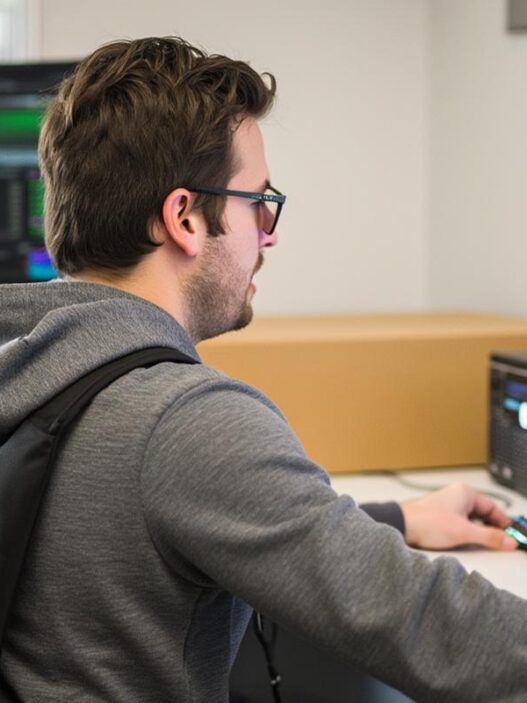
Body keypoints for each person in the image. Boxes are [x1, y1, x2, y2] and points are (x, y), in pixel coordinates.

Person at [0, 36, 525, 702]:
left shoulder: (35, 362)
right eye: (258, 201)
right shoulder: (184, 419)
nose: (268, 233)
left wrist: (397, 516)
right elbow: (438, 627)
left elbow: (160, 513)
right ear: (185, 216)